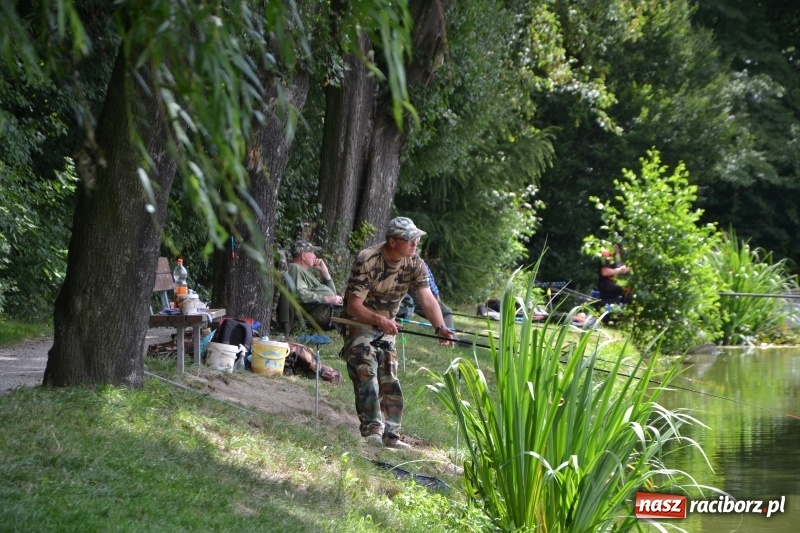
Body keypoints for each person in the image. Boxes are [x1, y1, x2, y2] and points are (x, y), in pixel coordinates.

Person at [341, 216, 456, 450]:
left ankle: (391, 435)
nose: (415, 244)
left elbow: (427, 299)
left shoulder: (414, 263)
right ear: (393, 241)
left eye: (416, 239)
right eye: (410, 239)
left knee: (389, 377)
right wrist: (378, 320)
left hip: (388, 324)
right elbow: (353, 305)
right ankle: (372, 429)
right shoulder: (368, 259)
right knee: (366, 369)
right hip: (359, 321)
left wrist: (441, 327)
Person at [287, 239, 343, 330]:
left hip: (324, 309)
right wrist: (326, 299)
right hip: (316, 312)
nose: (315, 255)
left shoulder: (304, 272)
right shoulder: (294, 268)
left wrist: (325, 273)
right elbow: (300, 294)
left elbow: (332, 293)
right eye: (312, 252)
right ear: (304, 256)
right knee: (355, 312)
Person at [410, 263, 455, 330]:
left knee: (446, 312)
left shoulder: (418, 262)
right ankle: (450, 339)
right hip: (413, 293)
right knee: (446, 312)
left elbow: (429, 283)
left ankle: (447, 336)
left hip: (416, 293)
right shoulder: (417, 263)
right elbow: (429, 289)